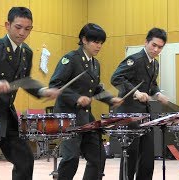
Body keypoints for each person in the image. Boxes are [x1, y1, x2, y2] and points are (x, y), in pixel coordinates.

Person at [0, 7, 59, 180]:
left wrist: (43, 90)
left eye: (27, 29)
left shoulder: (26, 52)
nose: (22, 33)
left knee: (25, 159)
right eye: (18, 27)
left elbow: (25, 80)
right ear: (7, 25)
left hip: (8, 117)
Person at [49, 23, 123, 180]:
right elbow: (55, 85)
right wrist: (76, 97)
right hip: (67, 116)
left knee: (98, 156)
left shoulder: (95, 64)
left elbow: (96, 89)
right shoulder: (70, 59)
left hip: (85, 116)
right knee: (71, 158)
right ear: (84, 40)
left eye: (101, 43)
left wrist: (111, 99)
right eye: (95, 42)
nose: (99, 46)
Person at [111, 27, 169, 180]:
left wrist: (157, 94)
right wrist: (136, 92)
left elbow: (152, 85)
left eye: (160, 47)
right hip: (130, 113)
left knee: (148, 156)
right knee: (130, 154)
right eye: (153, 45)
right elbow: (116, 78)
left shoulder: (155, 64)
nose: (156, 49)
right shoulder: (135, 60)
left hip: (145, 114)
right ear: (146, 42)